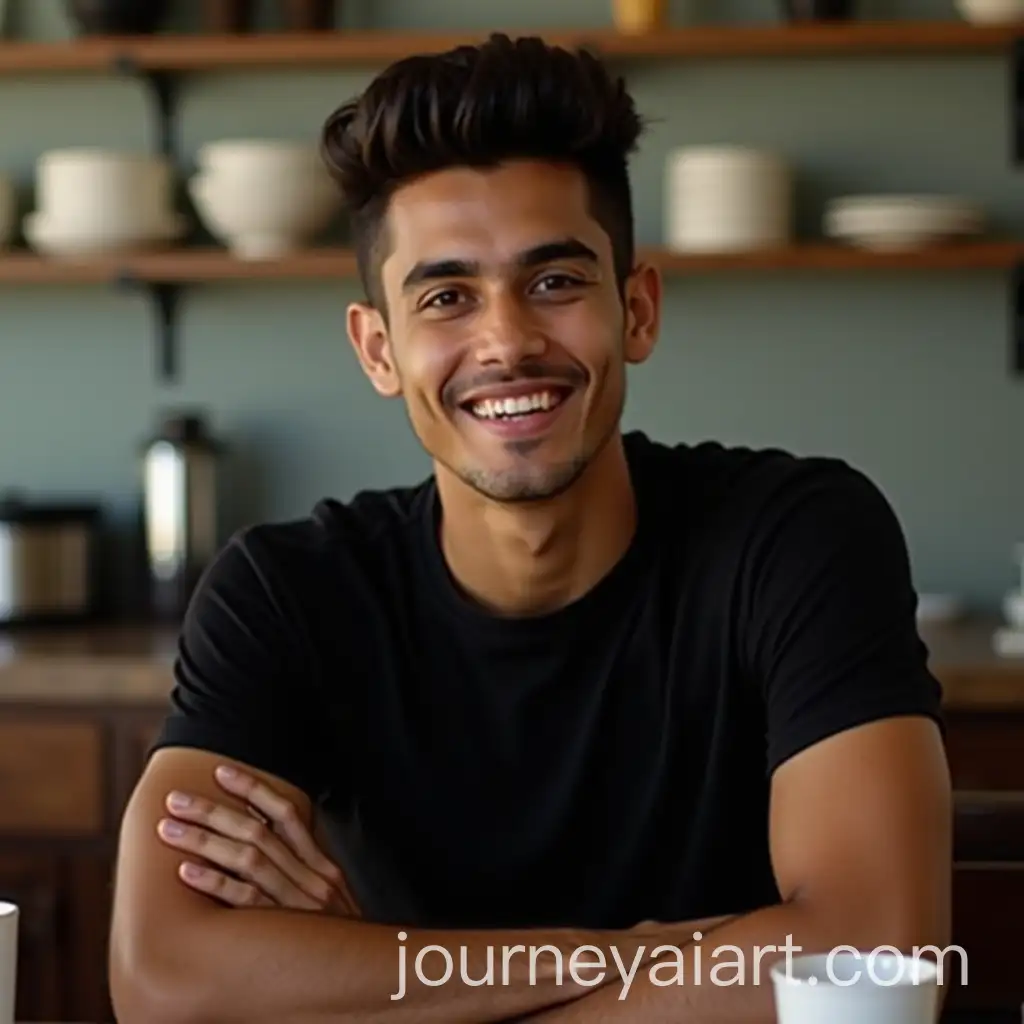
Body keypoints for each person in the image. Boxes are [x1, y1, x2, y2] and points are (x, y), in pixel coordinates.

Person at [108, 31, 952, 1024]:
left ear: (635, 309)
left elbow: (871, 954)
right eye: (446, 296)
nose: (506, 341)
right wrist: (660, 956)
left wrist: (376, 973)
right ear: (378, 348)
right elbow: (164, 981)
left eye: (554, 282)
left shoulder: (797, 538)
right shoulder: (283, 593)